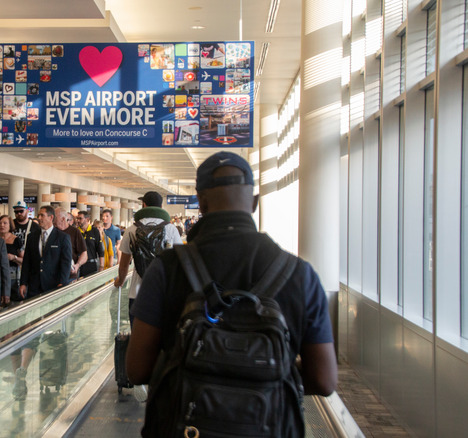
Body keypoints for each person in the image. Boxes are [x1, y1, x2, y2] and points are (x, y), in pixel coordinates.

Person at [126, 152, 337, 434]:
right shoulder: (300, 274)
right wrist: (261, 370)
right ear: (254, 202)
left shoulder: (167, 268)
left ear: (200, 201)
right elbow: (324, 380)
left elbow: (137, 369)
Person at [114, 191, 182, 324]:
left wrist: (120, 281)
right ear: (161, 207)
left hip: (137, 294)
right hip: (163, 293)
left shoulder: (132, 229)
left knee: (137, 339)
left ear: (144, 205)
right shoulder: (171, 229)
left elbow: (124, 264)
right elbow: (179, 260)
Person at [19, 205, 72, 299]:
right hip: (34, 286)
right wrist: (23, 283)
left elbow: (66, 262)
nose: (39, 218)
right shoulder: (32, 237)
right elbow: (27, 261)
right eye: (38, 215)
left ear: (51, 217)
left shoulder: (62, 237)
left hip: (53, 285)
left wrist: (63, 282)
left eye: (42, 215)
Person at [0, 215, 24, 303]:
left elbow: (24, 260)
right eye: (0, 223)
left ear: (10, 225)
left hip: (13, 277)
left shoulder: (16, 240)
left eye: (5, 223)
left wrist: (13, 257)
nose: (2, 225)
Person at [54, 208, 87, 282]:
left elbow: (84, 253)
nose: (53, 219)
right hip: (54, 275)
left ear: (62, 219)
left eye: (55, 217)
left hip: (70, 275)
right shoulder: (53, 231)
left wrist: (77, 265)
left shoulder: (75, 232)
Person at [76, 211, 104, 277]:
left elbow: (100, 249)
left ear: (87, 219)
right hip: (79, 265)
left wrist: (101, 265)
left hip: (91, 264)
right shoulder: (76, 231)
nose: (78, 220)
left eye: (80, 218)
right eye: (77, 218)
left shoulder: (94, 231)